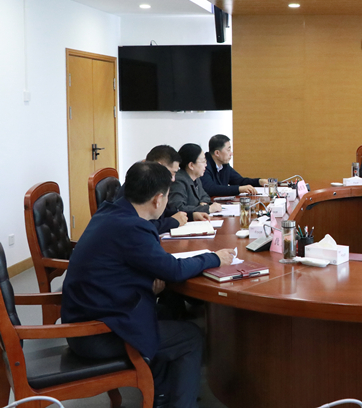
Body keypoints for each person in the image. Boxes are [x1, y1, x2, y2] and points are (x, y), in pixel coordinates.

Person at [62, 162, 235, 408]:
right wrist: (214, 258)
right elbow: (173, 271)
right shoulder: (132, 227)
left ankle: (160, 396)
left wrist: (145, 284)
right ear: (157, 199)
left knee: (166, 311)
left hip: (92, 313)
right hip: (97, 333)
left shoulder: (111, 211)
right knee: (191, 337)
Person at [113, 145, 210, 234]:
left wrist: (191, 215)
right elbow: (142, 225)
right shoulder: (139, 185)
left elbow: (163, 214)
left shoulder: (153, 184)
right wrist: (173, 222)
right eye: (172, 173)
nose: (173, 179)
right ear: (159, 166)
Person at [201, 134, 268, 197]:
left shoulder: (224, 165)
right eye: (228, 150)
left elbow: (238, 181)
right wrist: (239, 189)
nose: (231, 154)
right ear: (217, 153)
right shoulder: (204, 166)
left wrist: (259, 182)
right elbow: (211, 189)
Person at [169, 144, 222, 214]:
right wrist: (207, 209)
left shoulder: (196, 179)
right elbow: (177, 208)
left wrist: (203, 203)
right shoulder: (178, 181)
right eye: (203, 162)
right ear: (191, 165)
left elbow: (205, 196)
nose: (206, 165)